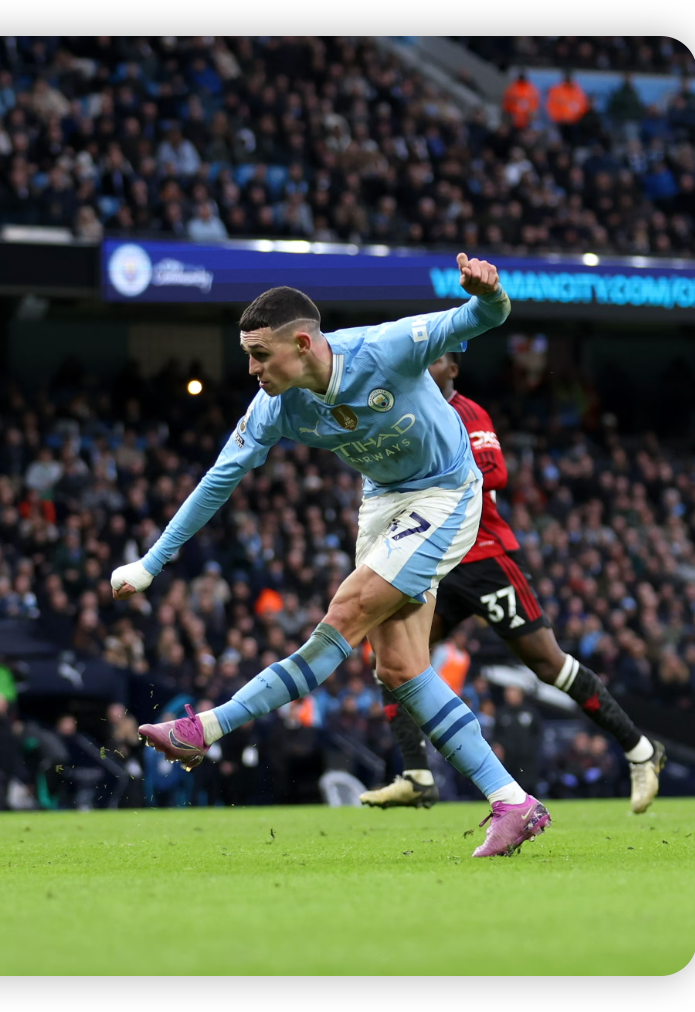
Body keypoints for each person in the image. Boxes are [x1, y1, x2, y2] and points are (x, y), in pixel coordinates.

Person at [113, 255, 552, 857]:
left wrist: (491, 291)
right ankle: (513, 802)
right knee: (399, 670)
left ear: (301, 343)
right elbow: (218, 480)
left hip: (447, 493)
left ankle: (206, 727)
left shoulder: (386, 348)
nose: (251, 368)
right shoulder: (276, 405)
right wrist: (152, 562)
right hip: (381, 506)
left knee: (344, 612)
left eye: (261, 355)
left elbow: (485, 317)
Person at [361, 352, 664, 811]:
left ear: (453, 369)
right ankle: (417, 773)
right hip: (434, 561)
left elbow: (495, 471)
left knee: (548, 663)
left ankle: (641, 751)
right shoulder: (405, 412)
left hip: (485, 559)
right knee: (393, 657)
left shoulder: (468, 412)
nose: (424, 369)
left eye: (435, 361)